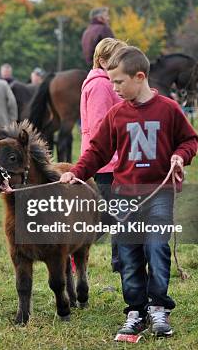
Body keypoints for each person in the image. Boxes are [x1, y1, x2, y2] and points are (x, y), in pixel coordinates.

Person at [60, 46, 198, 338]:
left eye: (118, 82)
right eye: (111, 82)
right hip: (125, 195)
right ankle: (135, 310)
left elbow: (189, 140)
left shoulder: (169, 109)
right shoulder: (117, 114)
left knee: (156, 247)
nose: (113, 88)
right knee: (129, 253)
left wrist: (179, 156)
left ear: (139, 76)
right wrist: (78, 171)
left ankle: (159, 307)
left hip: (159, 193)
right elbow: (97, 151)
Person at [80, 37, 127, 273]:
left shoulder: (108, 83)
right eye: (117, 59)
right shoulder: (100, 85)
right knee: (108, 217)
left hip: (113, 158)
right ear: (102, 60)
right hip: (108, 161)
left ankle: (120, 261)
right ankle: (72, 250)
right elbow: (100, 125)